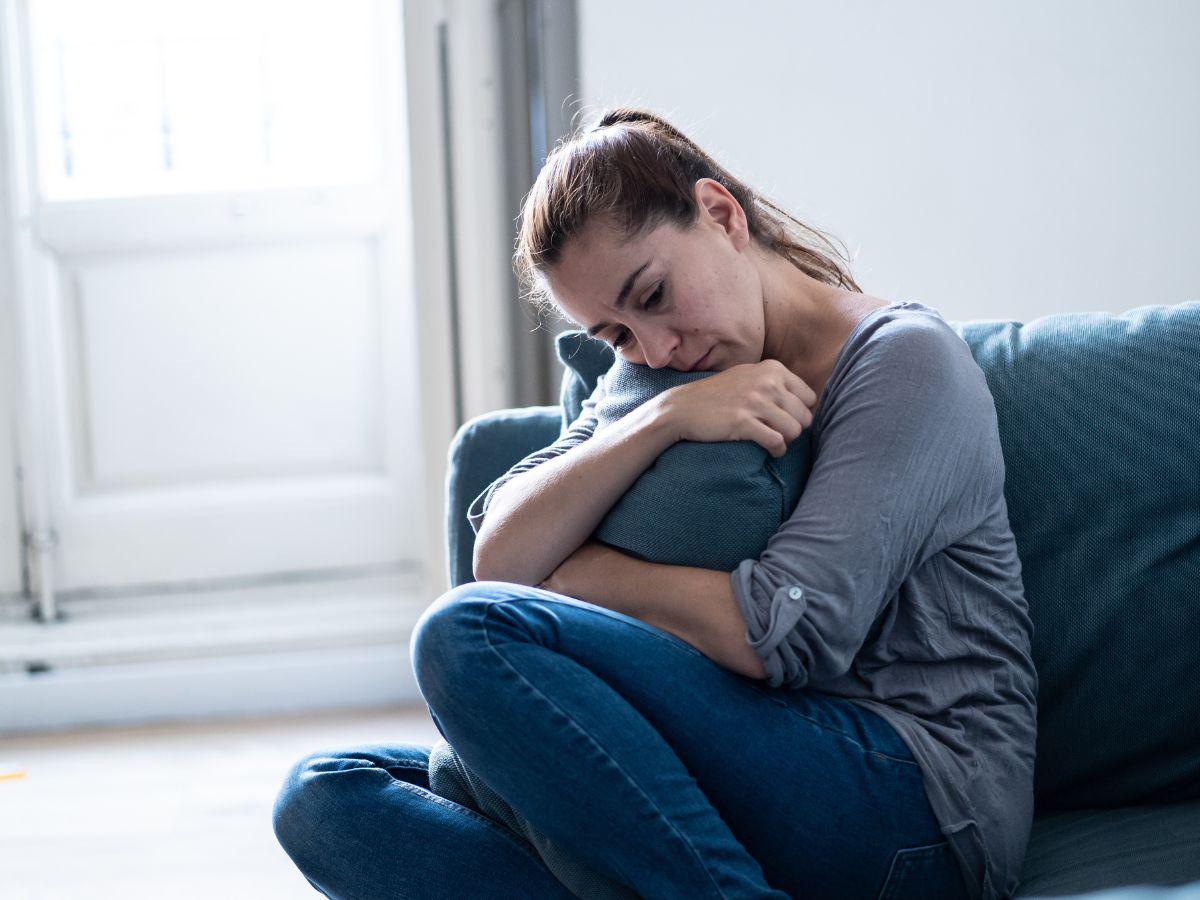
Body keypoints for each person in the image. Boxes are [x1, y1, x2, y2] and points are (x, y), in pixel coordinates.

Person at [272, 107, 1038, 900]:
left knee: (464, 636)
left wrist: (573, 578)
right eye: (618, 335)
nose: (659, 347)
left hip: (919, 800)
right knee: (322, 796)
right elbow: (499, 556)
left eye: (655, 294)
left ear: (720, 214)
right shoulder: (660, 376)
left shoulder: (905, 362)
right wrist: (661, 419)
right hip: (731, 766)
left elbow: (783, 631)